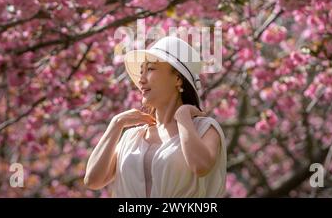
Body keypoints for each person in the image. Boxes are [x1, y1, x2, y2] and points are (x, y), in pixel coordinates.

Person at [84, 36, 227, 197]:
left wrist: (183, 117)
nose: (141, 80)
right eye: (141, 72)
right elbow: (93, 180)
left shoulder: (204, 129)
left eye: (150, 69)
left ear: (178, 79)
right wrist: (116, 124)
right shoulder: (132, 137)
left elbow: (200, 166)